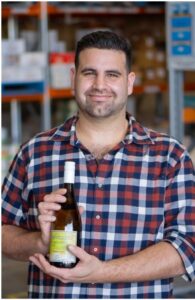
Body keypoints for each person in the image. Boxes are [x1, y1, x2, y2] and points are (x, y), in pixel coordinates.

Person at [2, 30, 195, 299]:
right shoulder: (35, 153)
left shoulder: (169, 157)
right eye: (89, 73)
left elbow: (187, 246)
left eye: (112, 75)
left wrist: (101, 272)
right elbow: (4, 233)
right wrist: (40, 242)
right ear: (73, 78)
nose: (99, 85)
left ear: (129, 83)